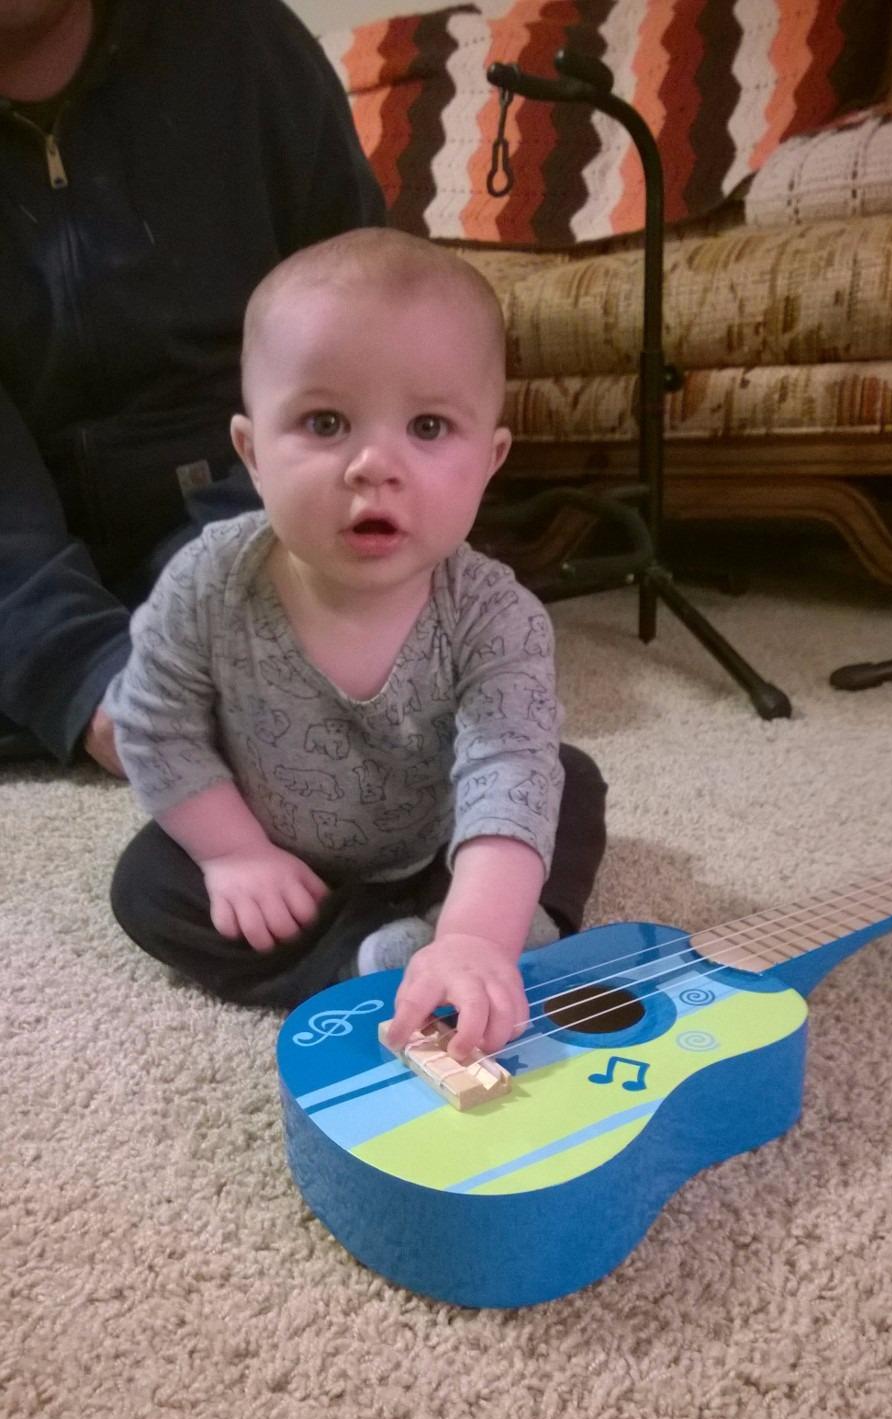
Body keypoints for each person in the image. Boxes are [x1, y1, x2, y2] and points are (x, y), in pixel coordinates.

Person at [106, 229, 607, 1060]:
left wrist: (476, 933)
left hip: (442, 845)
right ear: (251, 452)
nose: (375, 464)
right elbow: (154, 726)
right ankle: (363, 963)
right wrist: (234, 854)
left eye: (429, 426)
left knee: (563, 781)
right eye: (326, 422)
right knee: (148, 887)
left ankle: (479, 944)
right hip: (283, 859)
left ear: (491, 461)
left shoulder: (498, 616)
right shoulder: (207, 584)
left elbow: (507, 771)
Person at [0, 0, 386, 774]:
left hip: (254, 521)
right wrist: (84, 674)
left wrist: (229, 581)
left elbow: (368, 342)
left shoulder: (247, 43)